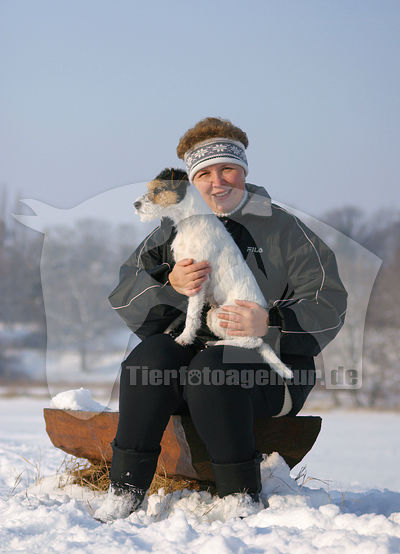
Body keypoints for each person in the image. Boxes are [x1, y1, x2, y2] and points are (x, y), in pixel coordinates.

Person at [94, 117, 347, 522]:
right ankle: (125, 489)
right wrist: (170, 285)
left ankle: (239, 496)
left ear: (243, 171)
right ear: (192, 181)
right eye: (204, 173)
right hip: (190, 358)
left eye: (228, 168)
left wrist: (269, 322)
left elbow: (329, 302)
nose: (218, 182)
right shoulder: (171, 230)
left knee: (214, 369)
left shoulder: (285, 229)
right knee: (147, 361)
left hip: (266, 367)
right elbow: (125, 294)